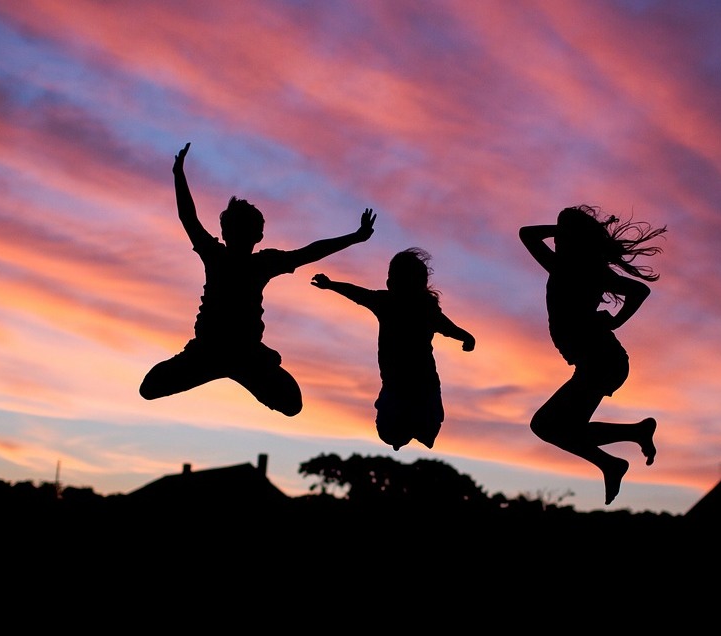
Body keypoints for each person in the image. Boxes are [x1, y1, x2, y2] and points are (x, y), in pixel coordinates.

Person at [139, 143, 377, 416]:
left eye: (245, 229)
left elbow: (310, 252)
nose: (239, 235)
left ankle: (239, 368)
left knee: (292, 405)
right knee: (148, 389)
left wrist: (355, 237)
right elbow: (188, 218)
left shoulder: (256, 262)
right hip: (208, 352)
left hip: (244, 354)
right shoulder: (219, 256)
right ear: (227, 232)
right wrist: (178, 175)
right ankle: (224, 369)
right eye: (236, 229)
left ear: (256, 236)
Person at [520, 205, 664, 505]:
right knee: (556, 428)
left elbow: (528, 235)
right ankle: (615, 458)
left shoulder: (574, 268)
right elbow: (528, 236)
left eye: (562, 235)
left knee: (546, 426)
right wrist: (615, 321)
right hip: (599, 361)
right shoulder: (573, 267)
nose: (557, 240)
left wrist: (615, 321)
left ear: (572, 238)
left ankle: (629, 441)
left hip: (602, 361)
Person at [311, 248, 475, 450]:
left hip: (420, 383)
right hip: (398, 384)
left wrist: (466, 337)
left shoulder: (421, 308)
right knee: (393, 431)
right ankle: (406, 431)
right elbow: (357, 293)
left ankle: (417, 429)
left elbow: (448, 327)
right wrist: (331, 285)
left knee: (424, 423)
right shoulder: (388, 302)